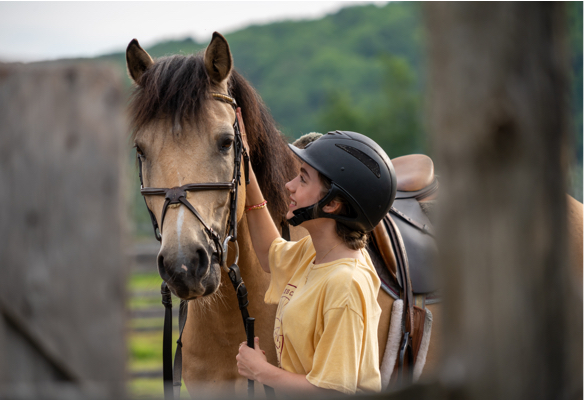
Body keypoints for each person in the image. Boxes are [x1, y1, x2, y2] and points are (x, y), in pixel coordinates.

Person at [235, 109, 397, 395]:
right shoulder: (315, 252)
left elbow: (332, 391)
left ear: (332, 204)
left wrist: (261, 371)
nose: (289, 186)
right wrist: (245, 167)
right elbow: (269, 253)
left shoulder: (344, 284)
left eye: (303, 179)